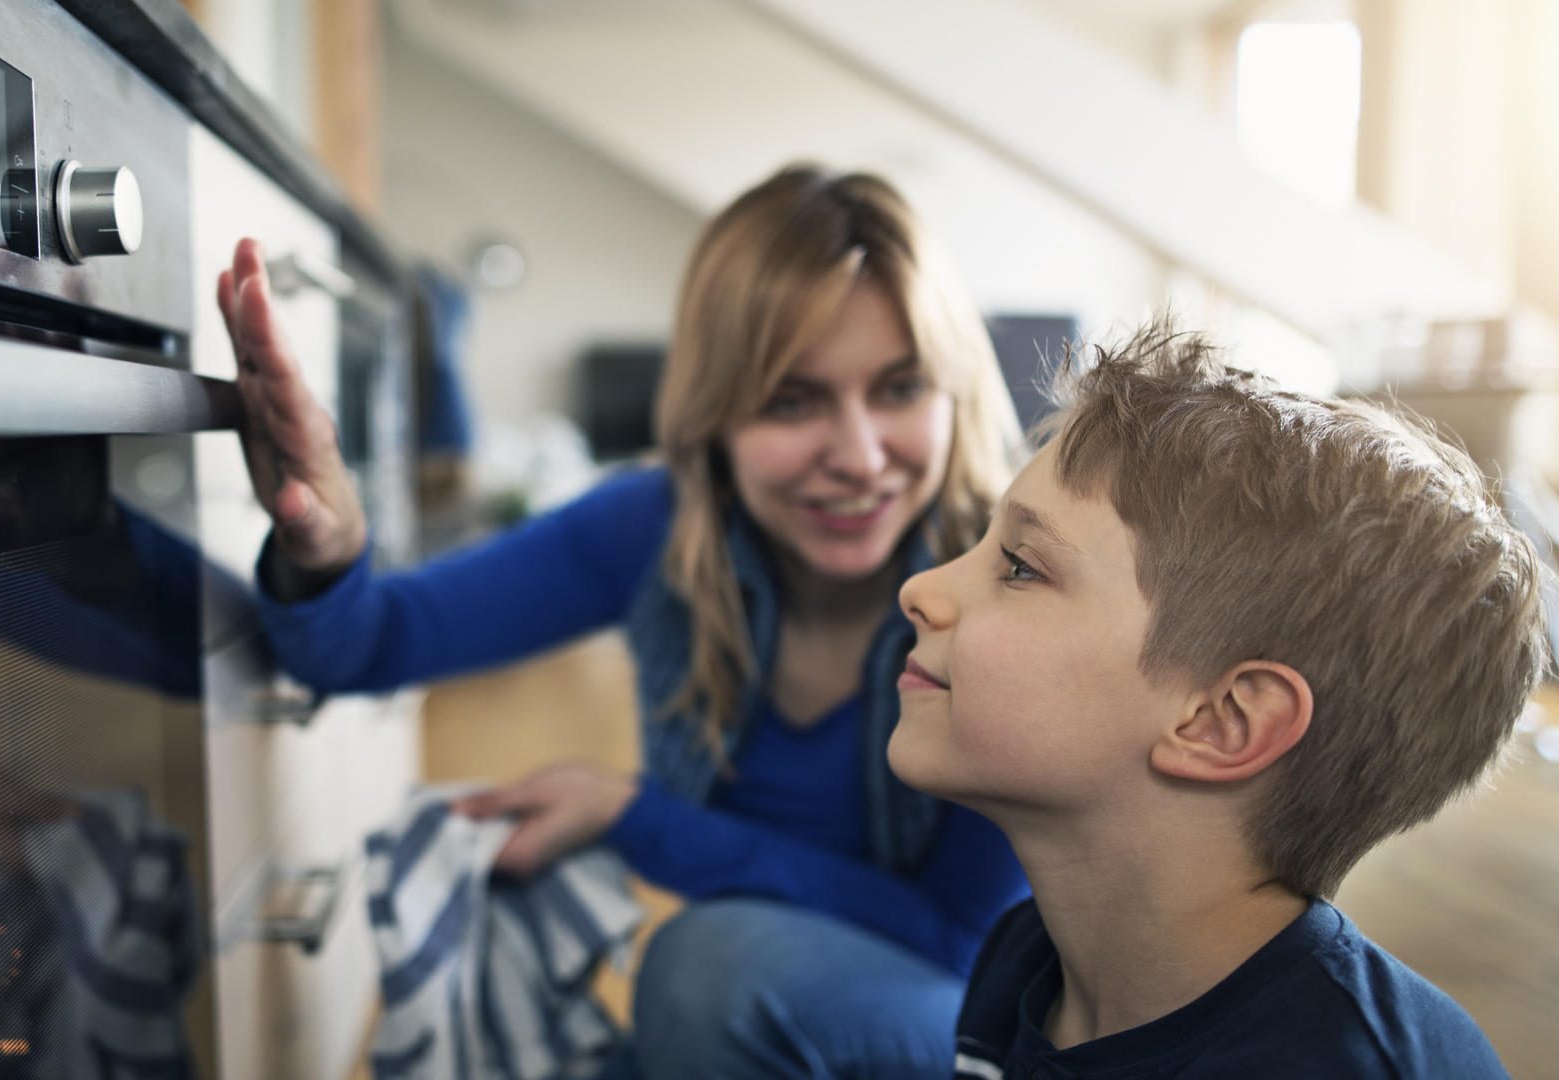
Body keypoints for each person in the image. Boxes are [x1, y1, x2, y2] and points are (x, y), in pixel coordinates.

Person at [218, 163, 1030, 1075]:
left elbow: (961, 943)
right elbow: (368, 642)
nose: (859, 454)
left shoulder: (1012, 591)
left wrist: (630, 817)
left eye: (899, 388)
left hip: (976, 1027)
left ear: (954, 391)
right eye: (791, 400)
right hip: (760, 1008)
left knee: (704, 969)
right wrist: (326, 537)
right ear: (714, 414)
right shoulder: (657, 526)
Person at [889, 320, 1549, 1078]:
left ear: (1223, 721)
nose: (921, 591)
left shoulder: (1352, 1066)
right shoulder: (1024, 960)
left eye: (1020, 567)